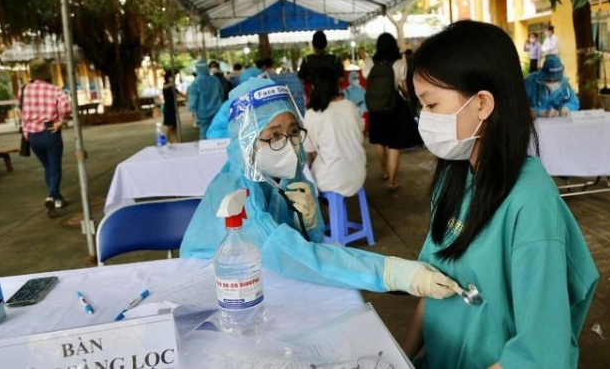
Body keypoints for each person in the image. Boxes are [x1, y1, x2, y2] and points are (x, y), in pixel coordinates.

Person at [404, 20, 598, 369]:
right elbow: (430, 285)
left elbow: (538, 351)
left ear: (482, 104)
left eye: (431, 106)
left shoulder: (530, 202)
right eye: (420, 107)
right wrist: (397, 358)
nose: (424, 119)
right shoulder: (454, 176)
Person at [181, 77, 459, 299]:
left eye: (292, 131)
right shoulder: (239, 195)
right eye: (273, 135)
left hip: (268, 274)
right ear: (246, 141)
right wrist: (392, 272)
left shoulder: (285, 174)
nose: (289, 144)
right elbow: (297, 254)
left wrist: (310, 220)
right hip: (218, 288)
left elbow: (307, 243)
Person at [366, 33, 421, 192]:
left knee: (380, 141)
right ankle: (391, 181)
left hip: (375, 107)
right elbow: (404, 87)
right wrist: (408, 96)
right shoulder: (399, 62)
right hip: (393, 106)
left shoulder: (370, 63)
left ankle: (383, 170)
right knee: (394, 145)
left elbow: (367, 81)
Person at [303, 66, 366, 197]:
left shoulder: (312, 113)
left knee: (304, 180)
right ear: (337, 84)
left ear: (314, 87)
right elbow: (359, 138)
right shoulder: (350, 106)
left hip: (331, 179)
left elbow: (310, 151)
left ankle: (330, 211)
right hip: (359, 175)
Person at [20, 59, 71, 218]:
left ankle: (58, 199)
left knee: (47, 167)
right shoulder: (54, 90)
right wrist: (61, 121)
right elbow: (66, 106)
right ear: (47, 72)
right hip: (50, 130)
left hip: (33, 135)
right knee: (55, 168)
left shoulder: (24, 90)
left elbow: (23, 112)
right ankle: (51, 196)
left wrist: (27, 133)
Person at [298, 31, 344, 99]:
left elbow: (301, 79)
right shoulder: (335, 59)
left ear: (313, 44)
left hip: (314, 97)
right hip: (333, 96)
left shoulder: (307, 60)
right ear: (326, 43)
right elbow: (341, 79)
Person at [187, 59, 223, 138]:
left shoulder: (195, 82)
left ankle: (206, 147)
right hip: (216, 109)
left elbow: (193, 98)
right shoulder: (215, 80)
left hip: (202, 111)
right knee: (216, 130)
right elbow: (221, 94)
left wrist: (192, 109)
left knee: (204, 131)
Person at [162, 70, 186, 143]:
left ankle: (176, 140)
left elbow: (180, 94)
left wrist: (188, 96)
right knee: (170, 125)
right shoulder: (166, 85)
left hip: (173, 107)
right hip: (168, 107)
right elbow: (165, 87)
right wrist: (171, 84)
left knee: (174, 126)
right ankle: (167, 140)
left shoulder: (173, 87)